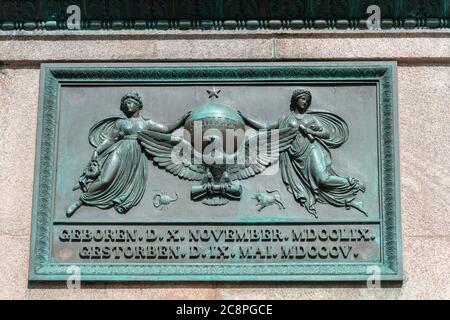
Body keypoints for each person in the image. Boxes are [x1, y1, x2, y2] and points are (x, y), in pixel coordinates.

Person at [239, 89, 366, 217]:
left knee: (323, 179)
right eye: (303, 99)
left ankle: (352, 182)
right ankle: (349, 199)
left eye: (307, 100)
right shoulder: (285, 119)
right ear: (296, 100)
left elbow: (326, 134)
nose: (305, 102)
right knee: (316, 184)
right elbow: (266, 126)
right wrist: (246, 119)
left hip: (312, 149)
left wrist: (312, 132)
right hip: (297, 157)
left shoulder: (310, 118)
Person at [66, 91, 189, 217]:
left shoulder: (146, 123)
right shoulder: (121, 123)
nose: (127, 106)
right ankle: (79, 201)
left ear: (138, 105)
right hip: (120, 150)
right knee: (105, 179)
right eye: (125, 104)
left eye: (130, 103)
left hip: (135, 156)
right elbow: (110, 139)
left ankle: (108, 198)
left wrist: (182, 119)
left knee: (127, 184)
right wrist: (97, 150)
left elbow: (165, 129)